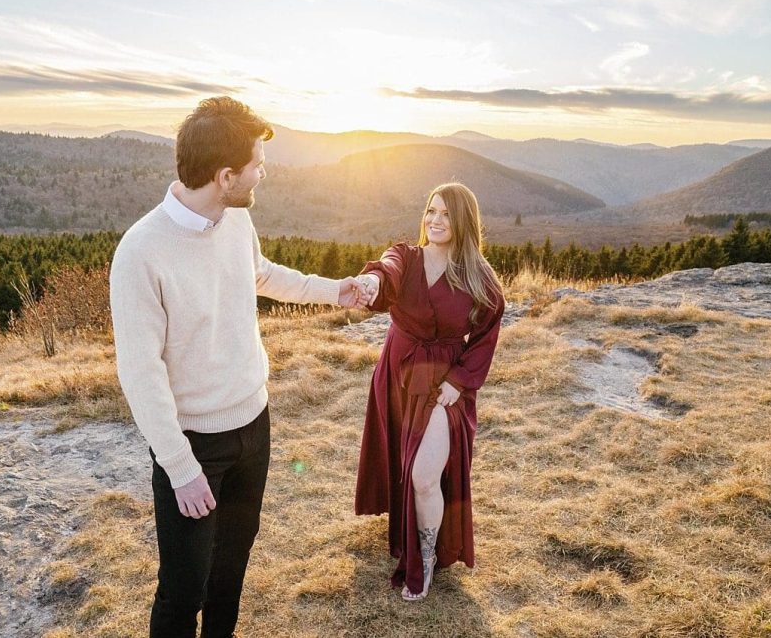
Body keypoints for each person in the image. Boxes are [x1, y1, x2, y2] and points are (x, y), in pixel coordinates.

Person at [109, 96, 371, 638]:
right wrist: (181, 469)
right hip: (195, 446)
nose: (264, 172)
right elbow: (141, 373)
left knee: (229, 576)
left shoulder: (234, 220)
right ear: (225, 175)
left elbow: (262, 274)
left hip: (255, 425)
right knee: (183, 589)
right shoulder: (140, 252)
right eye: (257, 164)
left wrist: (334, 291)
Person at [352, 183, 506, 601]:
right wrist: (370, 283)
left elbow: (486, 335)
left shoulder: (479, 277)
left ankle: (425, 558)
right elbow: (386, 270)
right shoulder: (408, 256)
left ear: (464, 223)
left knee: (424, 475)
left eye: (446, 214)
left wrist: (458, 382)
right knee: (405, 465)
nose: (435, 221)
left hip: (445, 387)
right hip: (399, 376)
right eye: (431, 211)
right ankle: (417, 540)